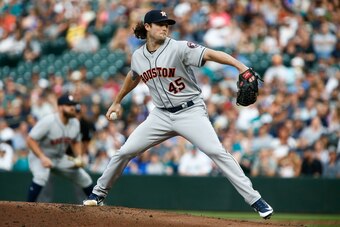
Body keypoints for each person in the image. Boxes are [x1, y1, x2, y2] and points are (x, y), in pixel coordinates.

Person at [83, 9, 273, 219]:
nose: (165, 27)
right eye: (160, 24)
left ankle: (256, 200)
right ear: (147, 27)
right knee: (124, 152)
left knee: (217, 152)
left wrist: (241, 67)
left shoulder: (179, 47)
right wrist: (117, 101)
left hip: (190, 111)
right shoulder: (138, 56)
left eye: (167, 24)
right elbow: (134, 75)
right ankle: (98, 194)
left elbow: (211, 54)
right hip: (160, 116)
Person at [26, 94, 93, 202]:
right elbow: (30, 139)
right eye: (68, 105)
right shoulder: (48, 121)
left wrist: (79, 156)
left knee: (84, 177)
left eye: (73, 105)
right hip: (40, 156)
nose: (72, 107)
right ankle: (27, 208)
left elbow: (76, 141)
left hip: (59, 158)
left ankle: (98, 206)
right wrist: (42, 157)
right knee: (41, 177)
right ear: (60, 107)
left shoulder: (75, 122)